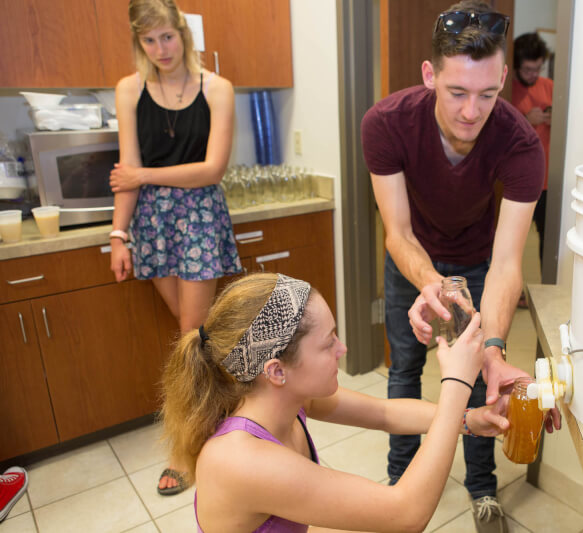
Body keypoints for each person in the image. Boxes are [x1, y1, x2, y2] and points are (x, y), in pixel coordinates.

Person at [361, 2, 561, 532]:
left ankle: (482, 489)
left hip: (477, 259)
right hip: (412, 261)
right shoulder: (386, 124)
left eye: (488, 94)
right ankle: (398, 484)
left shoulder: (519, 142)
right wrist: (431, 286)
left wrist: (493, 346)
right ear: (430, 76)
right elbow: (397, 233)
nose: (472, 111)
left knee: (479, 379)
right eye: (456, 92)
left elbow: (506, 262)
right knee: (404, 371)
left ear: (501, 80)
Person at [160, 272, 509, 533]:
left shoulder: (286, 401)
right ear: (277, 370)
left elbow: (386, 413)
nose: (342, 349)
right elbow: (406, 513)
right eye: (329, 343)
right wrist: (457, 383)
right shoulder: (239, 460)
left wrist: (469, 419)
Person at [109, 0, 241, 496]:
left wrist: (143, 175)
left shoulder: (217, 89)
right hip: (152, 223)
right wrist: (118, 235)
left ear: (182, 34)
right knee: (197, 337)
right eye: (149, 40)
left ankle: (187, 450)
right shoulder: (129, 90)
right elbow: (126, 172)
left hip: (201, 215)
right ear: (138, 42)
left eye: (167, 36)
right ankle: (225, 414)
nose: (160, 49)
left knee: (191, 334)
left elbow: (212, 170)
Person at [511, 32, 553, 262]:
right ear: (516, 66)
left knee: (547, 240)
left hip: (546, 181)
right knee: (512, 240)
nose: (534, 74)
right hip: (515, 179)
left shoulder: (551, 87)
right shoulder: (507, 89)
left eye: (538, 68)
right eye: (528, 70)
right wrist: (526, 120)